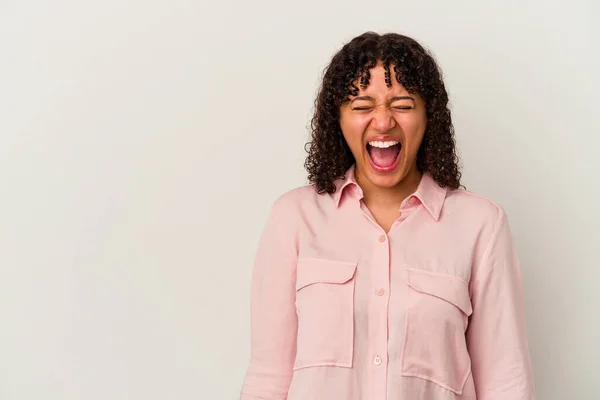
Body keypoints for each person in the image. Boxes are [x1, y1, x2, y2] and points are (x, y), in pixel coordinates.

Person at [240, 31, 535, 400]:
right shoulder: (293, 219)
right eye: (363, 106)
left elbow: (506, 383)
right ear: (339, 119)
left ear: (430, 117)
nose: (382, 122)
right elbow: (269, 376)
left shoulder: (481, 225)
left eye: (403, 105)